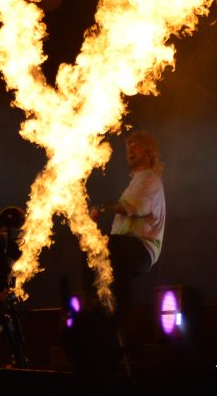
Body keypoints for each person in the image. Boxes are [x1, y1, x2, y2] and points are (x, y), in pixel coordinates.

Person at [86, 130, 166, 313]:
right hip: (126, 246)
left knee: (101, 248)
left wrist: (102, 208)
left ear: (149, 153)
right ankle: (109, 317)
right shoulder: (137, 181)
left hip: (140, 248)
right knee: (110, 279)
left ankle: (98, 311)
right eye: (128, 146)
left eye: (136, 145)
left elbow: (135, 208)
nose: (130, 149)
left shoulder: (150, 179)